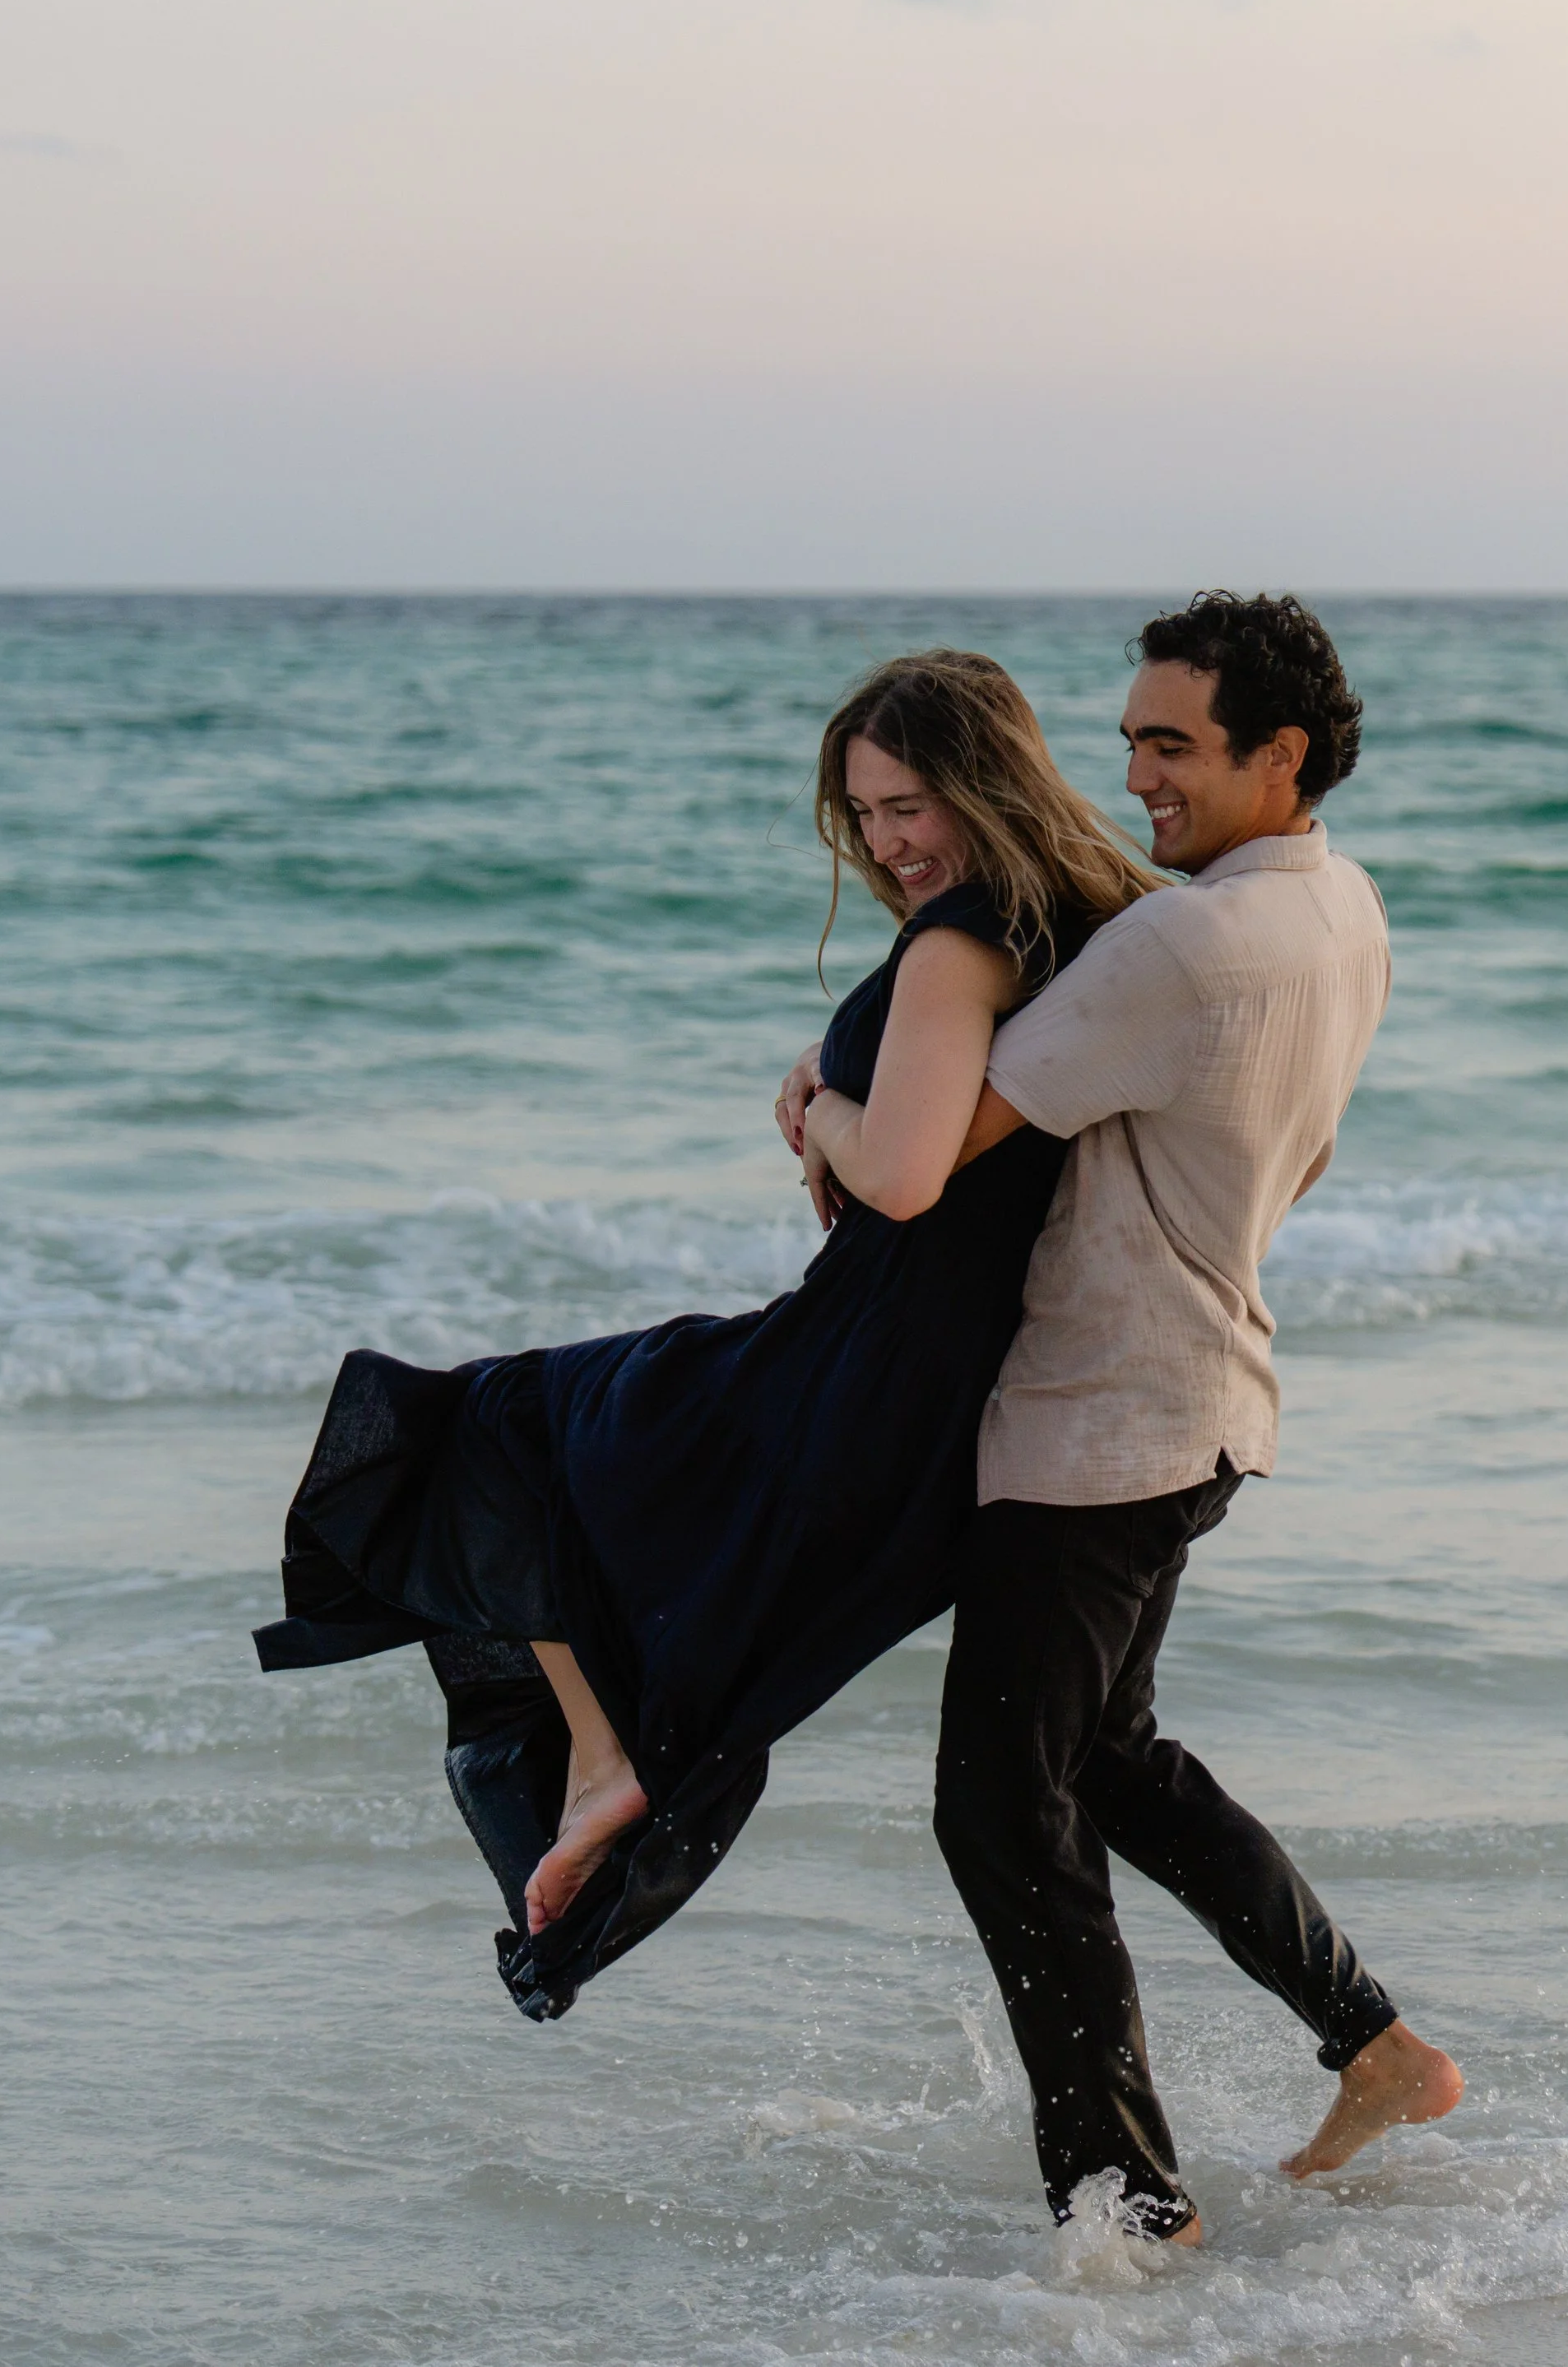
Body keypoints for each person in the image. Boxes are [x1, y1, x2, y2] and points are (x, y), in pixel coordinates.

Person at [253, 651, 1159, 2020]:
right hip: (925, 1370)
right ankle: (607, 1755)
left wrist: (810, 1109)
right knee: (548, 1442)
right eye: (862, 816)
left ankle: (605, 1756)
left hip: (860, 1364)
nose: (886, 842)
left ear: (986, 781)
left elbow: (904, 1176)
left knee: (498, 1421)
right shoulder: (1095, 926)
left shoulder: (960, 941)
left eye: (910, 804)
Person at [813, 592, 1464, 2240]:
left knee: (994, 1800)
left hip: (1096, 1424)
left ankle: (1125, 2192)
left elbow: (921, 1156)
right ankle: (1370, 2038)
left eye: (1169, 745)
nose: (1137, 778)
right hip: (1207, 1387)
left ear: (1279, 751)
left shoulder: (1177, 945)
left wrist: (806, 1099)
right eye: (1125, 743)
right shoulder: (1341, 913)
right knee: (1106, 1756)